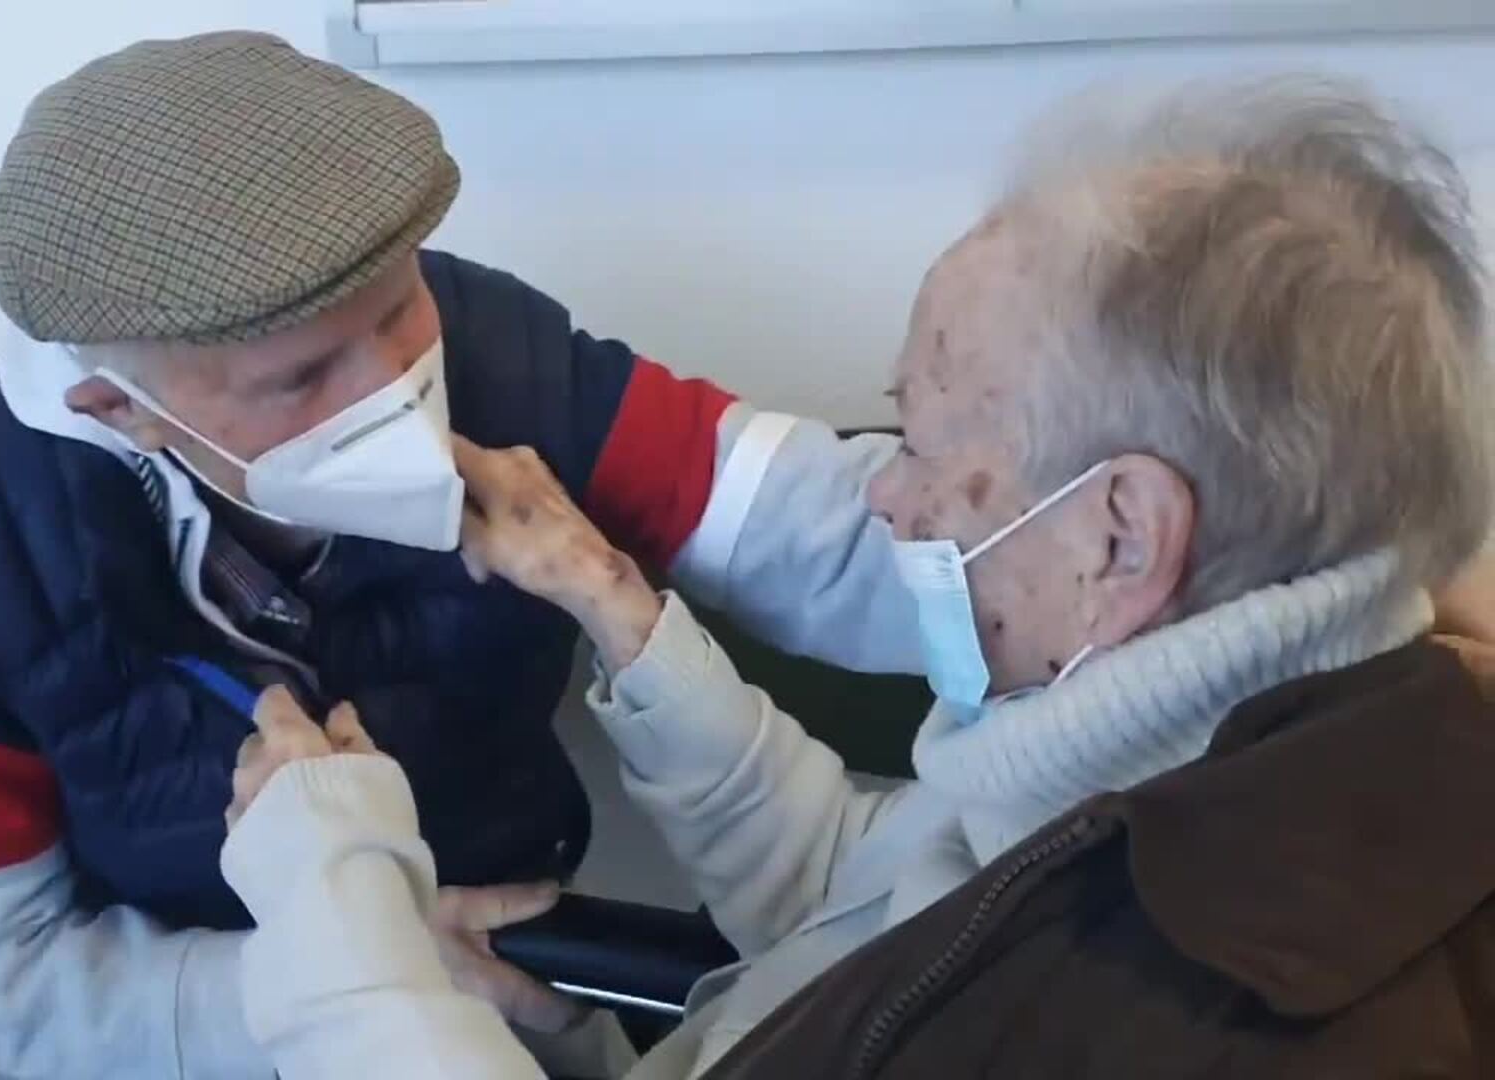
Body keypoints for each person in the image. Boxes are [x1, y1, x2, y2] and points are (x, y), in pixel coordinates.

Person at [215, 77, 1495, 1078]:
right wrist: (622, 610)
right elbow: (867, 892)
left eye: (926, 445)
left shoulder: (1173, 1013)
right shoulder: (1184, 733)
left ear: (1119, 540)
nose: (882, 490)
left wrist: (337, 931)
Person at [0, 31, 923, 1079]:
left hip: (507, 1002)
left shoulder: (509, 357)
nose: (397, 384)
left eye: (402, 305)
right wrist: (334, 985)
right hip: (169, 1045)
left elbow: (825, 529)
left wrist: (1040, 517)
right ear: (120, 410)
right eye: (306, 376)